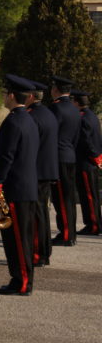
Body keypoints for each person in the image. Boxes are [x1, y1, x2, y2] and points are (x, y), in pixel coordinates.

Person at [0, 75, 39, 296]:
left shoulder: (14, 121)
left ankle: (22, 281)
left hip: (16, 188)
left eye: (4, 93)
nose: (3, 96)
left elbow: (6, 156)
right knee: (21, 238)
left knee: (18, 240)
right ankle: (19, 278)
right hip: (26, 185)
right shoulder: (28, 119)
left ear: (11, 95)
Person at [26, 81, 59, 267]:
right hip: (47, 170)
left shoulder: (33, 117)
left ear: (30, 96)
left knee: (36, 215)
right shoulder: (47, 113)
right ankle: (44, 251)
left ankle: (39, 254)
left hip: (36, 171)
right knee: (42, 214)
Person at [49, 75, 80, 246]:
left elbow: (51, 134)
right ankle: (71, 232)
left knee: (60, 198)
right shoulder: (75, 109)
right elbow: (76, 136)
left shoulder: (56, 109)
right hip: (70, 155)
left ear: (56, 90)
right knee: (69, 197)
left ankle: (67, 234)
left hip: (58, 157)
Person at [71, 90, 102, 235]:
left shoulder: (83, 118)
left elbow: (86, 141)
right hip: (91, 161)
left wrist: (94, 156)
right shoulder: (92, 116)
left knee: (88, 195)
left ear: (76, 103)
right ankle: (95, 223)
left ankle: (93, 225)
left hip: (85, 162)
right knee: (92, 194)